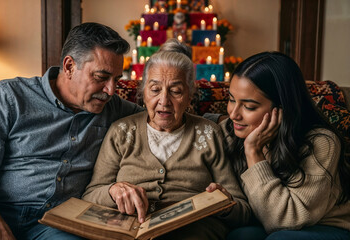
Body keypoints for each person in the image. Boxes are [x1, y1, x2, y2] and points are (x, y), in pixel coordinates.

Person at [0, 22, 143, 240]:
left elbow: (160, 116)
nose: (111, 90)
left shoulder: (114, 109)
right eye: (102, 77)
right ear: (70, 66)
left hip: (57, 225)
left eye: (116, 79)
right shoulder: (9, 96)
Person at [82, 39, 251, 240]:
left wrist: (223, 203)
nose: (164, 101)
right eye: (154, 89)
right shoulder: (121, 131)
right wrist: (112, 191)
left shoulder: (208, 133)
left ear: (190, 96)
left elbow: (243, 211)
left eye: (176, 91)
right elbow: (89, 196)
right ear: (142, 93)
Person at [220, 51, 350, 240]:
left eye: (249, 106)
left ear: (281, 109)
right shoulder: (235, 129)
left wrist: (254, 152)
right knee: (241, 236)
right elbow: (200, 125)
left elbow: (285, 222)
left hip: (328, 227)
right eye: (231, 99)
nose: (234, 114)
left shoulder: (322, 142)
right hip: (272, 225)